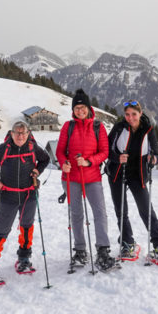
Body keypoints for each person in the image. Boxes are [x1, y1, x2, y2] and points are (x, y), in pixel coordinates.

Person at [106, 100, 158, 263]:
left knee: (146, 210)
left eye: (134, 114)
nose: (130, 118)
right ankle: (127, 242)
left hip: (138, 174)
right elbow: (106, 148)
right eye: (127, 114)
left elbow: (155, 151)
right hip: (117, 172)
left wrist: (154, 159)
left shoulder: (148, 129)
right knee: (121, 210)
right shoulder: (119, 127)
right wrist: (117, 157)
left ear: (140, 113)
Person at [0, 121, 50, 287]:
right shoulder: (4, 148)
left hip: (29, 194)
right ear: (11, 134)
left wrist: (37, 171)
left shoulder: (33, 148)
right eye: (17, 133)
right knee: (1, 230)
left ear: (28, 134)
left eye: (23, 133)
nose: (20, 136)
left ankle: (24, 258)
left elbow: (45, 159)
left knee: (27, 226)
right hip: (8, 195)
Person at [56, 89, 116, 271]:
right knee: (76, 214)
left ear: (89, 108)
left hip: (92, 177)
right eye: (76, 107)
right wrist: (63, 162)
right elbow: (60, 151)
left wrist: (89, 161)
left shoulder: (98, 127)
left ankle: (103, 249)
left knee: (99, 213)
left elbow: (104, 152)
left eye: (82, 107)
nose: (79, 110)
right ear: (73, 110)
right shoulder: (68, 126)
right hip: (71, 177)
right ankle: (80, 250)